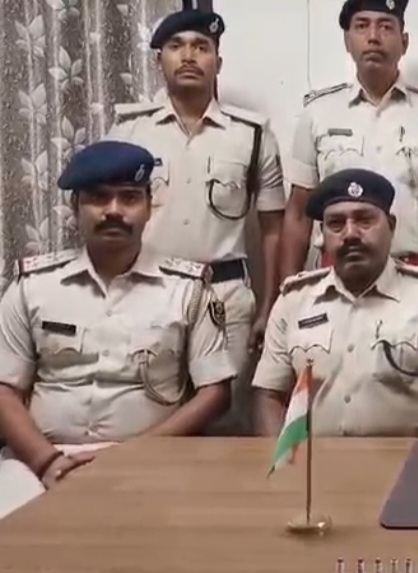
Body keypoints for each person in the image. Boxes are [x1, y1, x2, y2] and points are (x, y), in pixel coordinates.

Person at [0, 141, 235, 519]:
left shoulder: (188, 290)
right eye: (98, 198)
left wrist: (132, 456)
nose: (113, 211)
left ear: (149, 206)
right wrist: (47, 462)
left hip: (150, 459)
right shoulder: (33, 286)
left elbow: (215, 394)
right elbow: (4, 389)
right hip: (39, 460)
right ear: (75, 206)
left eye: (129, 198)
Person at [105, 9, 287, 434]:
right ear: (159, 61)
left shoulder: (251, 134)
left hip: (224, 297)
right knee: (151, 415)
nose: (188, 56)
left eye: (201, 47)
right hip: (149, 295)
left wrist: (269, 306)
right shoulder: (128, 131)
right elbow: (109, 219)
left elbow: (274, 228)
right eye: (176, 46)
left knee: (226, 423)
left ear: (217, 63)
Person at [280, 0, 418, 326]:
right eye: (362, 26)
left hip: (416, 283)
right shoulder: (318, 113)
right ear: (347, 41)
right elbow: (297, 214)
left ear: (404, 42)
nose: (373, 36)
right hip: (337, 285)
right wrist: (287, 301)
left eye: (386, 26)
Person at [252, 168, 418, 438]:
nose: (350, 233)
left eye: (364, 220)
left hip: (405, 460)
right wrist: (285, 460)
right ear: (322, 234)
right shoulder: (294, 301)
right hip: (314, 462)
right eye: (336, 224)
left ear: (391, 225)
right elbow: (268, 395)